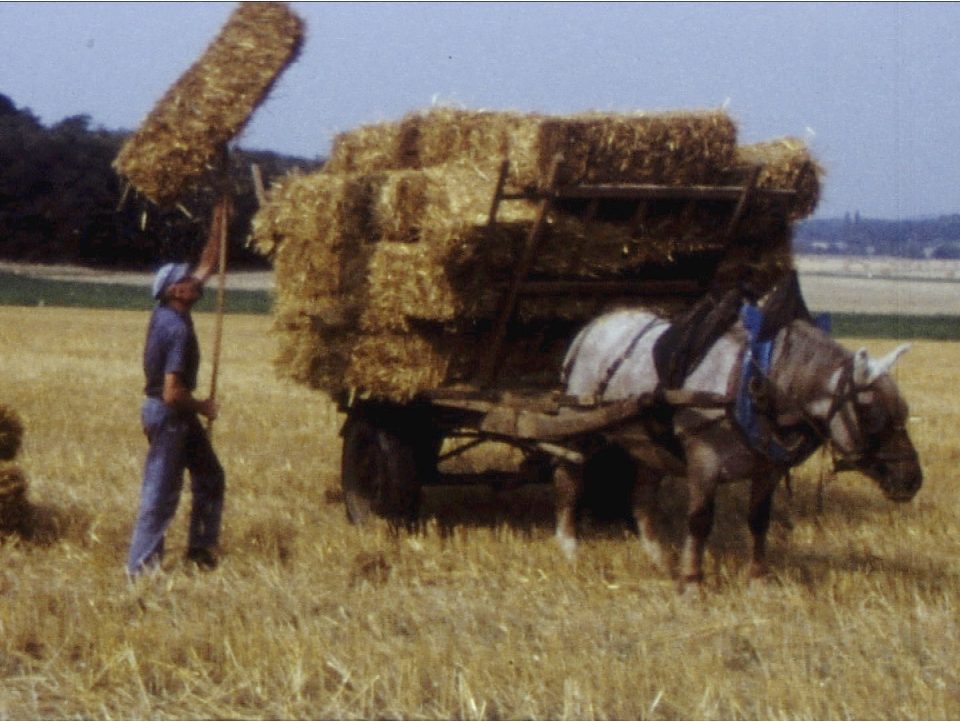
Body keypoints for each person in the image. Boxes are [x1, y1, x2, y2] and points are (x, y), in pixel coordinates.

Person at [126, 202, 227, 576]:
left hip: (173, 415)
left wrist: (219, 220)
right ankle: (140, 569)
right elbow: (172, 392)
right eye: (187, 281)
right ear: (175, 291)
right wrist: (203, 406)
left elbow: (207, 265)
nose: (194, 282)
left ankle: (200, 553)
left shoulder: (168, 311)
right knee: (162, 492)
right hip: (170, 414)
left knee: (210, 477)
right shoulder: (178, 330)